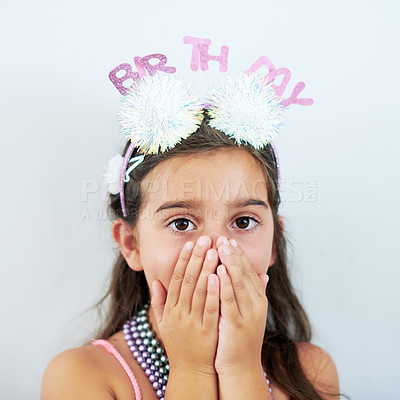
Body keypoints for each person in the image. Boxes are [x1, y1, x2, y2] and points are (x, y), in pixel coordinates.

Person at [41, 73, 340, 400]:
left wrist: (241, 368)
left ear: (274, 244)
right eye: (181, 224)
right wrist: (191, 369)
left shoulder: (311, 370)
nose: (215, 249)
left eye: (242, 222)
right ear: (132, 244)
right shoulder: (83, 377)